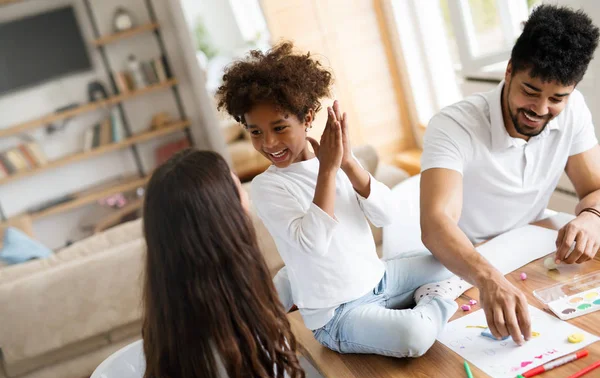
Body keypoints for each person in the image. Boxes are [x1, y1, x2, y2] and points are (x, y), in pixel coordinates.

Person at [216, 42, 463, 359]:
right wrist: (329, 170)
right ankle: (433, 301)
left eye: (279, 128)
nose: (269, 143)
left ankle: (418, 299)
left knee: (453, 255)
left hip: (381, 278)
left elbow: (388, 215)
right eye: (256, 132)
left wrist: (348, 164)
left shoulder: (334, 160)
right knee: (413, 337)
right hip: (337, 315)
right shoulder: (268, 187)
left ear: (307, 118)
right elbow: (313, 242)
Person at [420, 4, 600, 345]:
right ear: (508, 71)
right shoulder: (454, 125)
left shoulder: (573, 111)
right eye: (530, 91)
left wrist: (592, 217)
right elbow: (435, 223)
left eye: (557, 98)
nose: (541, 110)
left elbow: (595, 189)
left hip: (532, 247)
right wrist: (488, 278)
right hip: (465, 261)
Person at [141, 149, 305, 378]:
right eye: (239, 189)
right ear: (226, 219)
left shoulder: (177, 323)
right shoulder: (238, 354)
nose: (246, 200)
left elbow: (250, 308)